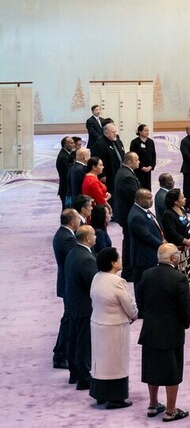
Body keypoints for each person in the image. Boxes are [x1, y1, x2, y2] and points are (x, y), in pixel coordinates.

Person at [137, 244, 190, 422]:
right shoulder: (179, 278)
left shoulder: (146, 275)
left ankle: (153, 404)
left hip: (150, 329)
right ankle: (171, 410)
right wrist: (185, 324)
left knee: (151, 367)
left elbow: (140, 300)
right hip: (171, 330)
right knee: (172, 370)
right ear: (173, 258)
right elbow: (185, 307)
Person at [89, 247, 138, 409]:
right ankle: (115, 398)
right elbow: (129, 305)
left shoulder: (97, 277)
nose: (121, 261)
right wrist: (134, 315)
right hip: (115, 327)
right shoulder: (117, 281)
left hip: (98, 323)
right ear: (112, 263)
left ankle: (100, 394)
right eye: (118, 259)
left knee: (101, 362)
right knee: (116, 363)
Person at [64, 225, 98, 390]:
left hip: (73, 302)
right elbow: (94, 283)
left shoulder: (74, 252)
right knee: (84, 343)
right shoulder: (87, 258)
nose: (96, 237)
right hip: (83, 305)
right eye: (94, 235)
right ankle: (84, 378)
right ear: (87, 238)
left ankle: (74, 374)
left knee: (74, 339)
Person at [52, 209, 80, 370]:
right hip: (69, 285)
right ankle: (60, 356)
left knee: (68, 320)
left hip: (67, 284)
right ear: (72, 222)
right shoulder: (67, 238)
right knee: (68, 321)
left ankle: (60, 352)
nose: (80, 221)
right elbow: (74, 261)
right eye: (78, 219)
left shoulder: (63, 234)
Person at [128, 189, 164, 290]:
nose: (151, 201)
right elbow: (147, 236)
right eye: (148, 198)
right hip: (143, 258)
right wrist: (162, 245)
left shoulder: (142, 211)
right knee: (143, 287)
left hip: (148, 255)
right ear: (140, 200)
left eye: (151, 198)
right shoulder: (137, 216)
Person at [161, 189, 190, 288]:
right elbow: (172, 233)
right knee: (178, 276)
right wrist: (186, 241)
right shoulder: (168, 214)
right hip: (177, 251)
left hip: (186, 250)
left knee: (186, 274)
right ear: (175, 202)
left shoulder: (182, 209)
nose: (185, 199)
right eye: (182, 197)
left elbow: (187, 224)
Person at [114, 152, 141, 276]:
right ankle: (128, 271)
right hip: (127, 214)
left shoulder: (125, 171)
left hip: (125, 212)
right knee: (129, 242)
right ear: (129, 162)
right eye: (137, 160)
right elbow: (136, 196)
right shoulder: (127, 176)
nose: (139, 162)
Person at [92, 123, 126, 216]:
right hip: (109, 175)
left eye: (115, 131)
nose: (115, 133)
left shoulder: (117, 140)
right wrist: (102, 175)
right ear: (106, 133)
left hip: (120, 172)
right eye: (113, 132)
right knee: (111, 192)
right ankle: (111, 212)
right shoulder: (99, 144)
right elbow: (97, 161)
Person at [130, 124, 157, 189]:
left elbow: (153, 154)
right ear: (140, 132)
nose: (147, 132)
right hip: (138, 170)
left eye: (148, 130)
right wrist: (141, 167)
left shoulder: (150, 142)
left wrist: (151, 166)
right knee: (139, 186)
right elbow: (133, 155)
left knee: (148, 187)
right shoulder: (134, 142)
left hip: (148, 169)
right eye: (145, 131)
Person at [56, 136, 76, 208]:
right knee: (67, 209)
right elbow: (70, 172)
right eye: (71, 143)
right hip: (66, 189)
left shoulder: (67, 154)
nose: (74, 145)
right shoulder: (63, 157)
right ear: (65, 145)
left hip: (67, 188)